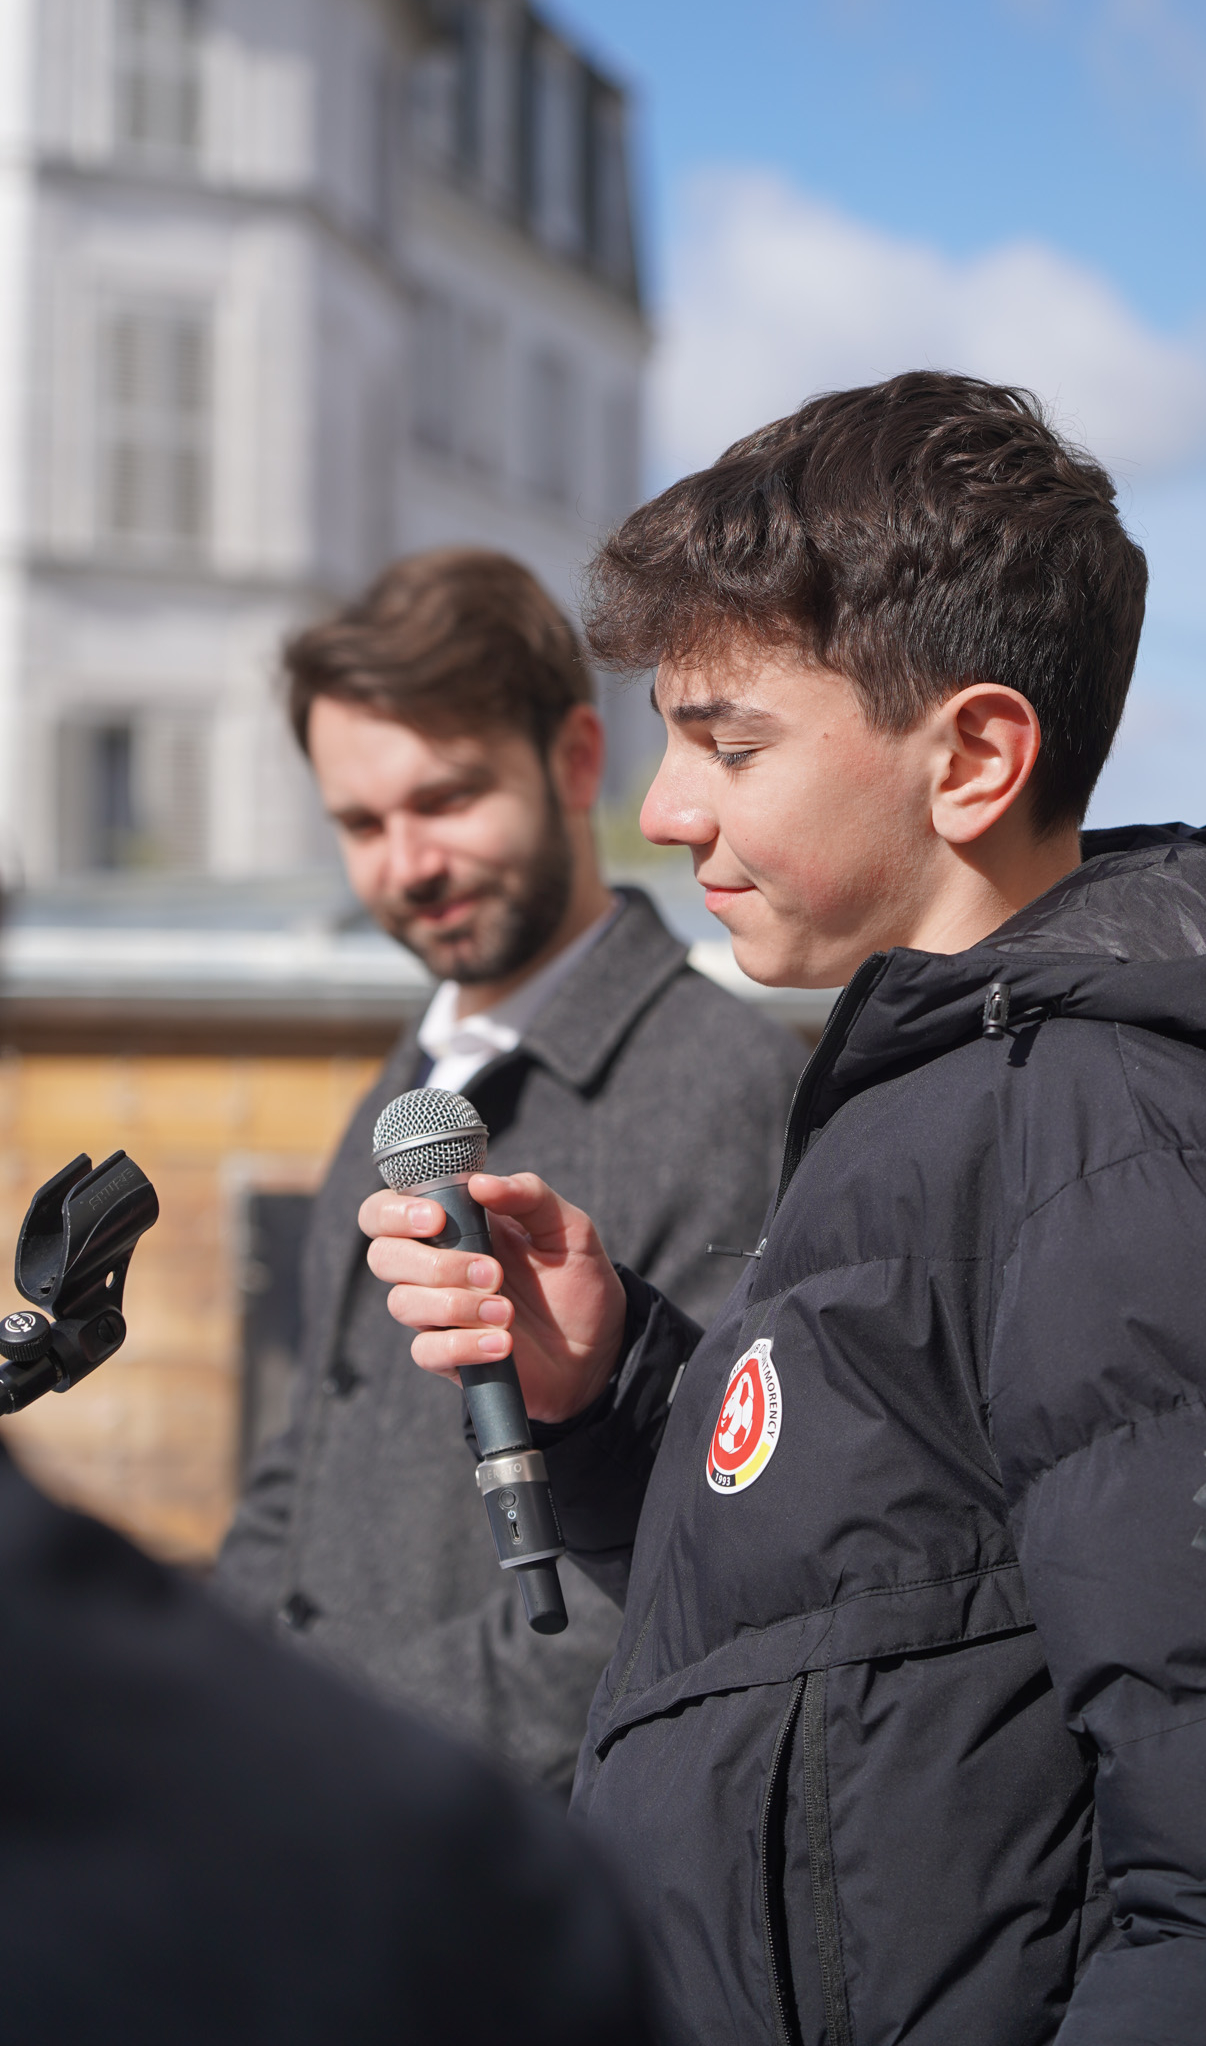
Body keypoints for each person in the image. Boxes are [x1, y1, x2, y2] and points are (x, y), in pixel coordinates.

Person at [361, 376, 1206, 2044]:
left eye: (730, 744)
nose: (665, 810)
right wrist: (613, 1389)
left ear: (972, 756)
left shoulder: (1114, 1143)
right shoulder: (931, 1097)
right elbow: (877, 1633)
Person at [217, 549, 807, 1795]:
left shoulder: (729, 1087)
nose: (408, 862)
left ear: (576, 761)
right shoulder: (409, 1095)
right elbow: (300, 1462)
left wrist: (320, 1764)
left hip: (486, 1841)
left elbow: (684, 1560)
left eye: (447, 798)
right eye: (362, 824)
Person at [0, 1440, 651, 2044]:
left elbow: (616, 1585)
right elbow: (286, 1482)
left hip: (428, 1838)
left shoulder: (463, 1873)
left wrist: (333, 1756)